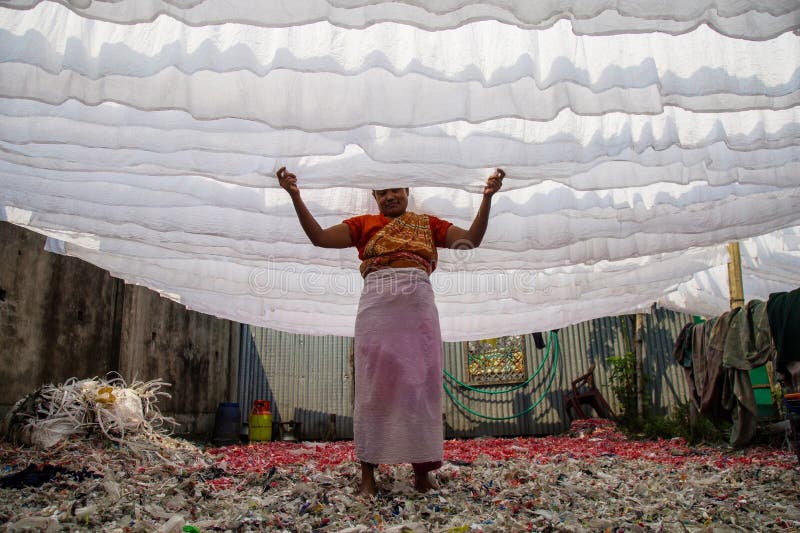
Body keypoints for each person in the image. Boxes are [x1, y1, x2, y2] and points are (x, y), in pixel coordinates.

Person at [276, 167, 504, 495]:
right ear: (374, 197)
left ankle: (422, 473)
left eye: (395, 189)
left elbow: (471, 240)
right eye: (382, 192)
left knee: (420, 388)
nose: (390, 196)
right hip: (377, 310)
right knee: (373, 389)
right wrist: (294, 195)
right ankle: (368, 476)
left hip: (418, 312)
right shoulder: (363, 225)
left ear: (407, 191)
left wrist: (487, 198)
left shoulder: (427, 224)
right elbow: (320, 238)